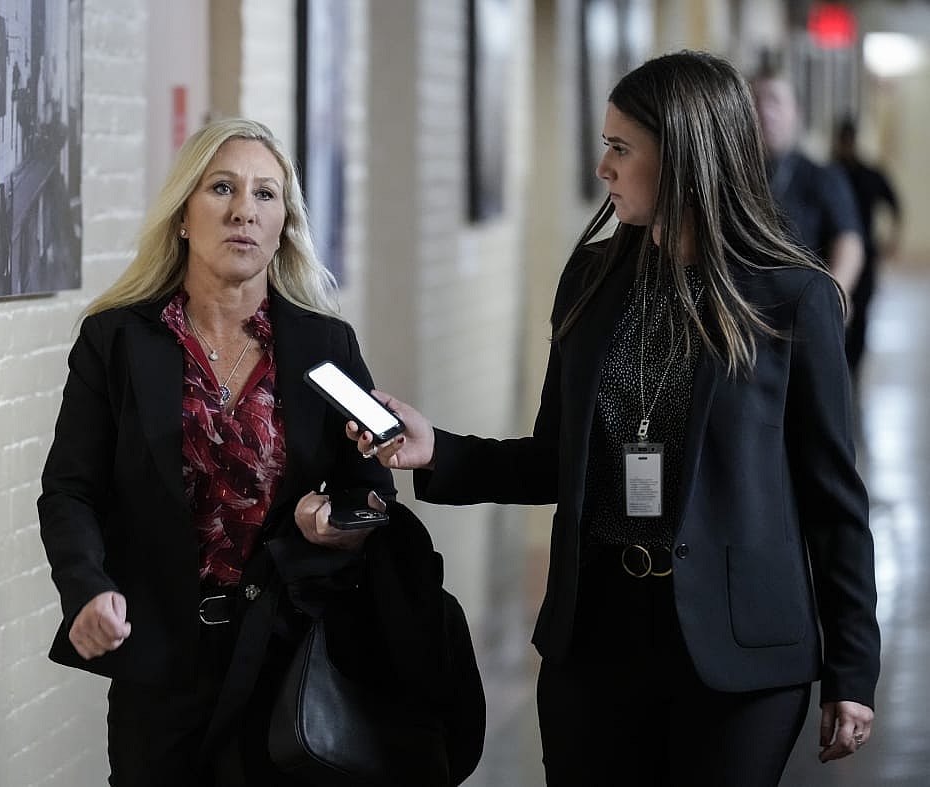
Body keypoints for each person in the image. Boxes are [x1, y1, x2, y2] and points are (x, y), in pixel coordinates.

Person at [351, 51, 880, 785]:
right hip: (597, 633)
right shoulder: (593, 276)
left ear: (685, 157)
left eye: (620, 148)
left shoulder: (791, 297)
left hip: (740, 652)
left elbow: (833, 499)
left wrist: (852, 662)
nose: (603, 167)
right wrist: (437, 448)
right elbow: (556, 456)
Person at [37, 117, 397, 785]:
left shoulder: (326, 346)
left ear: (283, 220)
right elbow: (71, 490)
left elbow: (376, 490)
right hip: (161, 664)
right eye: (222, 188)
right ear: (182, 215)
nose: (243, 211)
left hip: (289, 660)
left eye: (265, 194)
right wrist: (86, 588)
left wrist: (336, 522)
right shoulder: (116, 342)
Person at [751, 65, 865, 300]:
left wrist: (835, 296)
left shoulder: (823, 177)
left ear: (797, 112)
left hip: (801, 311)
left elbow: (849, 241)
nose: (764, 112)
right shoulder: (732, 177)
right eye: (755, 101)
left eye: (774, 101)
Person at [832, 115, 903, 376]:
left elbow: (894, 205)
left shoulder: (869, 174)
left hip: (865, 254)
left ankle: (853, 366)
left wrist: (892, 240)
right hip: (833, 255)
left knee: (861, 311)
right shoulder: (829, 174)